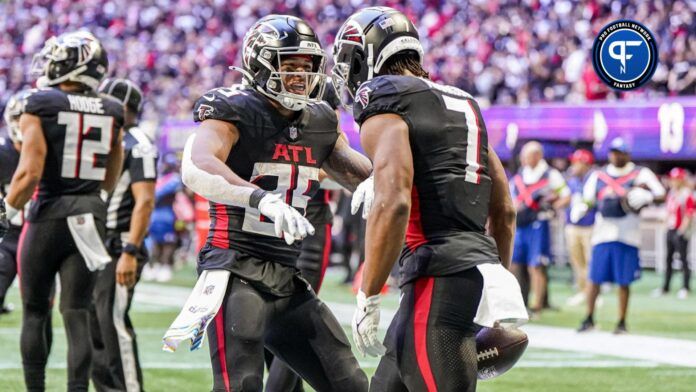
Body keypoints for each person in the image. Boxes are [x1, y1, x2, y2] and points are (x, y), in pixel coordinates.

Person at [333, 7, 528, 391]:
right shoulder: (464, 101)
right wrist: (493, 279)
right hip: (470, 276)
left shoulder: (383, 96)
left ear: (367, 58)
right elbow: (504, 210)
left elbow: (394, 202)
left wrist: (368, 295)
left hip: (435, 279)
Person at [172, 15, 370, 392]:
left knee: (351, 383)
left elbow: (360, 174)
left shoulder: (319, 120)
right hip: (235, 271)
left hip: (287, 277)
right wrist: (260, 199)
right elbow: (197, 166)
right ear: (260, 62)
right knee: (242, 385)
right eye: (289, 65)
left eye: (307, 66)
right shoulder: (234, 108)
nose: (300, 75)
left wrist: (386, 183)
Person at [3, 31, 124, 391]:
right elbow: (111, 173)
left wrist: (6, 211)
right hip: (90, 214)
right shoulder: (112, 109)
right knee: (76, 313)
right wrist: (89, 199)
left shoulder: (39, 103)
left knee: (36, 311)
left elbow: (29, 172)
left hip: (48, 213)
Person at [264, 81, 343, 392]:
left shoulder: (311, 130)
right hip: (280, 224)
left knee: (294, 319)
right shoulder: (276, 126)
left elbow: (336, 166)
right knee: (272, 324)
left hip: (303, 223)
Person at [89, 78, 157, 392]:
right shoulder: (109, 135)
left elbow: (144, 199)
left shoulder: (137, 141)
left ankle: (129, 389)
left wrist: (130, 250)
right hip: (99, 242)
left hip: (120, 244)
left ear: (122, 107)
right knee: (96, 322)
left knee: (112, 321)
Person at [574, 137, 665, 334]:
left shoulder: (641, 173)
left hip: (628, 232)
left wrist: (648, 196)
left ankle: (621, 321)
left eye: (620, 152)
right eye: (613, 152)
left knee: (624, 281)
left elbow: (661, 194)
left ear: (627, 154)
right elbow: (588, 199)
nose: (616, 156)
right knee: (594, 278)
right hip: (603, 231)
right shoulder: (598, 175)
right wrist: (582, 208)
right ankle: (589, 317)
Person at [509, 141, 570, 317]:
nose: (523, 159)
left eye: (526, 155)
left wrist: (552, 207)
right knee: (516, 263)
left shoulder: (550, 174)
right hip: (520, 224)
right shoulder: (520, 175)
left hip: (538, 224)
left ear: (537, 156)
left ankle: (537, 305)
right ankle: (520, 302)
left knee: (536, 265)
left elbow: (565, 196)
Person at [654, 167, 693, 299]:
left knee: (683, 259)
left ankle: (685, 287)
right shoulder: (671, 194)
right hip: (670, 229)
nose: (674, 182)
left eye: (676, 179)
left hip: (680, 231)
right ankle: (665, 287)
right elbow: (669, 211)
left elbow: (688, 214)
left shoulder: (687, 194)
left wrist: (682, 230)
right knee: (668, 259)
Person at [564, 149, 596, 306]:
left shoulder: (594, 178)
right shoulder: (572, 180)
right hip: (572, 225)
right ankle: (583, 291)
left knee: (591, 262)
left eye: (576, 162)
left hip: (590, 225)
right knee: (577, 262)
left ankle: (594, 293)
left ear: (584, 163)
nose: (573, 166)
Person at [144, 153, 181, 282]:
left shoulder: (175, 179)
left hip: (168, 214)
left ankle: (165, 266)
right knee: (154, 241)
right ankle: (153, 265)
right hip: (155, 214)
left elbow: (159, 194)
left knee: (168, 242)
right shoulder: (160, 178)